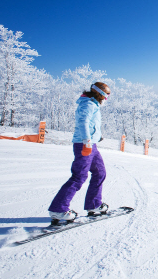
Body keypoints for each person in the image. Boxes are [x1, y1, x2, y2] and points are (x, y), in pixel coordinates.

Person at [48, 82, 111, 224]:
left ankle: (94, 204)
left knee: (100, 173)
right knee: (79, 177)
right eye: (106, 95)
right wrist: (87, 140)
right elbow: (83, 122)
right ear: (99, 93)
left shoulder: (93, 104)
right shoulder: (88, 104)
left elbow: (90, 124)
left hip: (91, 145)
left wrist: (96, 136)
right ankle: (58, 209)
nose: (106, 98)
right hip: (84, 145)